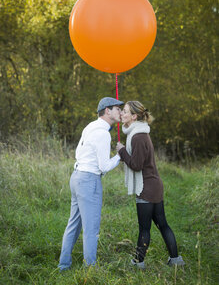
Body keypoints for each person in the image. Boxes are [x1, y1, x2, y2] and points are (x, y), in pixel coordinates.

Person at [116, 101, 185, 270]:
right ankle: (175, 260)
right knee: (163, 224)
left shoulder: (138, 137)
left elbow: (137, 165)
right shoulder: (139, 132)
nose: (121, 114)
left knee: (145, 229)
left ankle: (138, 263)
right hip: (154, 185)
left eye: (124, 112)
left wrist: (122, 151)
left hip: (146, 187)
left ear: (134, 116)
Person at [58, 97, 123, 271]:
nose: (121, 112)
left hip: (76, 177)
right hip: (89, 180)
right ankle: (90, 270)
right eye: (117, 108)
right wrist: (120, 155)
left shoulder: (90, 126)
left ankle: (64, 265)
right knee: (91, 229)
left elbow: (79, 152)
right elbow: (104, 167)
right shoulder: (103, 133)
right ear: (107, 111)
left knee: (73, 224)